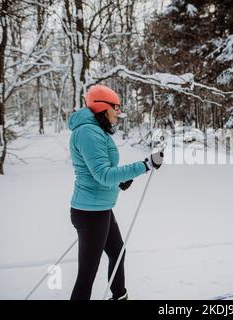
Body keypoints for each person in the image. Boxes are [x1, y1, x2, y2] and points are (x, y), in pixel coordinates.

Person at [68, 84, 163, 300]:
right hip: (90, 213)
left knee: (118, 252)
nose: (118, 114)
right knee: (87, 275)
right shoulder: (88, 133)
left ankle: (120, 297)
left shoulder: (95, 130)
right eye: (116, 108)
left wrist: (120, 181)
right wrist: (144, 166)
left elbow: (101, 172)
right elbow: (102, 174)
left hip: (100, 209)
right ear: (103, 107)